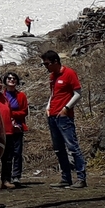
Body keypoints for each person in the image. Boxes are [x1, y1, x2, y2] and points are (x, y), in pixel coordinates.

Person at [41, 50, 86, 189]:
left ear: (55, 61)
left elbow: (78, 93)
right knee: (59, 149)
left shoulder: (69, 73)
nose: (45, 66)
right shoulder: (52, 76)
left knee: (72, 146)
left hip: (64, 116)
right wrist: (48, 107)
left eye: (47, 63)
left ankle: (81, 178)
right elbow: (53, 93)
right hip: (53, 115)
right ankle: (66, 177)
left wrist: (67, 108)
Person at [5, 71, 28, 188]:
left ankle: (16, 176)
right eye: (9, 78)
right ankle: (6, 177)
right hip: (5, 128)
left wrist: (12, 114)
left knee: (17, 153)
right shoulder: (2, 95)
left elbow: (24, 112)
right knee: (6, 153)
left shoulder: (21, 96)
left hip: (18, 127)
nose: (11, 80)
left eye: (14, 78)